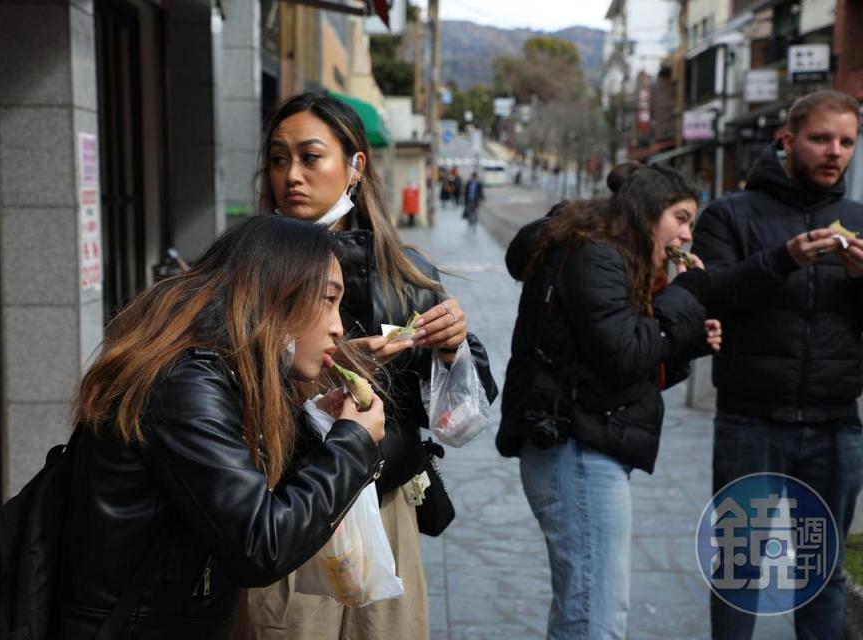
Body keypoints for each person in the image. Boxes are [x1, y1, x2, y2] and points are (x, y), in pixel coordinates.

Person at [51, 215, 386, 639]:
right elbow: (261, 545)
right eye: (328, 299)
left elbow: (233, 491)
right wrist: (352, 444)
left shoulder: (218, 369)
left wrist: (314, 428)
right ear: (277, 294)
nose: (338, 326)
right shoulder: (184, 382)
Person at [240, 92, 497, 640]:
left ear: (356, 166)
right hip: (282, 507)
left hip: (384, 511)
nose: (292, 175)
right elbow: (214, 388)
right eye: (279, 158)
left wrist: (451, 350)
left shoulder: (407, 275)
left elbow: (460, 422)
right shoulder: (242, 272)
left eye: (311, 157)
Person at [498, 163, 722, 639]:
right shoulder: (597, 256)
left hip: (583, 442)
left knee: (585, 610)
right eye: (680, 218)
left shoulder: (611, 256)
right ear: (646, 213)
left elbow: (626, 370)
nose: (687, 233)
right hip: (576, 450)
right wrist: (686, 295)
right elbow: (624, 355)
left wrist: (690, 340)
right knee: (595, 620)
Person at [691, 90, 863, 640]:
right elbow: (711, 294)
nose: (834, 152)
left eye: (846, 142)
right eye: (820, 139)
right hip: (750, 422)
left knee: (823, 570)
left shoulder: (858, 219)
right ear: (787, 141)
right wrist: (783, 259)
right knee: (740, 570)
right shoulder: (729, 214)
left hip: (835, 425)